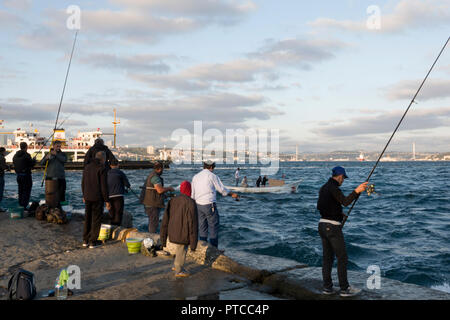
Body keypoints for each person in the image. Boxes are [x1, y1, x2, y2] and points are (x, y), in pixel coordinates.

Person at [317, 166, 368, 297]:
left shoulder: (324, 188)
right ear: (340, 176)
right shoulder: (334, 188)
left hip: (322, 225)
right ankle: (344, 289)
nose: (343, 180)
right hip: (333, 227)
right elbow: (345, 201)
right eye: (343, 178)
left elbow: (320, 206)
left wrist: (338, 213)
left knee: (327, 258)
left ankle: (327, 288)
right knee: (342, 257)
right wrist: (357, 191)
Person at [191, 160, 239, 248]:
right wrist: (233, 194)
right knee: (213, 227)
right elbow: (222, 190)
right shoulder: (212, 176)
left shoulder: (195, 177)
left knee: (202, 227)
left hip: (198, 205)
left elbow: (192, 195)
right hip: (209, 205)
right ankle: (213, 249)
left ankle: (202, 247)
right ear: (211, 167)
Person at [160, 181, 198, 278]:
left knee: (179, 248)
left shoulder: (172, 200)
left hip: (172, 231)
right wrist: (193, 244)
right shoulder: (191, 202)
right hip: (183, 232)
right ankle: (179, 270)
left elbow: (165, 219)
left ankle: (175, 265)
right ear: (189, 190)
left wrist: (163, 238)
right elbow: (193, 223)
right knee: (182, 249)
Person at [81, 151, 111, 249]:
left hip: (87, 196)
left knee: (88, 218)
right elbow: (104, 186)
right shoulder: (101, 168)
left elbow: (83, 182)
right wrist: (107, 200)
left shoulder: (87, 167)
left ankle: (85, 240)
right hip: (97, 197)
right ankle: (93, 241)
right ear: (103, 159)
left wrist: (84, 195)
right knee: (96, 219)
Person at [141, 162, 174, 233]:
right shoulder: (155, 177)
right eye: (162, 169)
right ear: (160, 169)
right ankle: (152, 239)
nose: (163, 171)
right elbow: (159, 190)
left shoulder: (151, 175)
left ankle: (151, 237)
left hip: (148, 203)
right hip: (153, 204)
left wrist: (164, 196)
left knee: (152, 222)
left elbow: (155, 190)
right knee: (153, 223)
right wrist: (169, 188)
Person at [40, 141, 67, 208]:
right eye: (57, 146)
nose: (58, 148)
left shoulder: (62, 154)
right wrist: (46, 158)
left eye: (59, 146)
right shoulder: (48, 154)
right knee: (51, 195)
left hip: (61, 178)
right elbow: (41, 163)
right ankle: (52, 208)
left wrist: (56, 155)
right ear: (53, 146)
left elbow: (64, 160)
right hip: (50, 178)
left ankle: (61, 209)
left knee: (61, 195)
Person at [13, 142, 36, 210]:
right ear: (26, 147)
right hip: (26, 176)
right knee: (26, 191)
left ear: (20, 147)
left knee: (20, 191)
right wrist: (34, 160)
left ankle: (21, 205)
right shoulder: (27, 155)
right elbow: (31, 164)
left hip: (18, 176)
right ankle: (24, 206)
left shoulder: (15, 155)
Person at [107, 159, 130, 226]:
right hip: (118, 195)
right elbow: (127, 184)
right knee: (118, 212)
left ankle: (112, 226)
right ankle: (117, 227)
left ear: (110, 165)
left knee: (111, 212)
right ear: (118, 164)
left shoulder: (107, 173)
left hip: (109, 196)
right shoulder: (120, 172)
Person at [0, 147, 10, 212]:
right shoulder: (2, 158)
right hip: (0, 176)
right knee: (0, 192)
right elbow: (3, 167)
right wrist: (8, 167)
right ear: (2, 152)